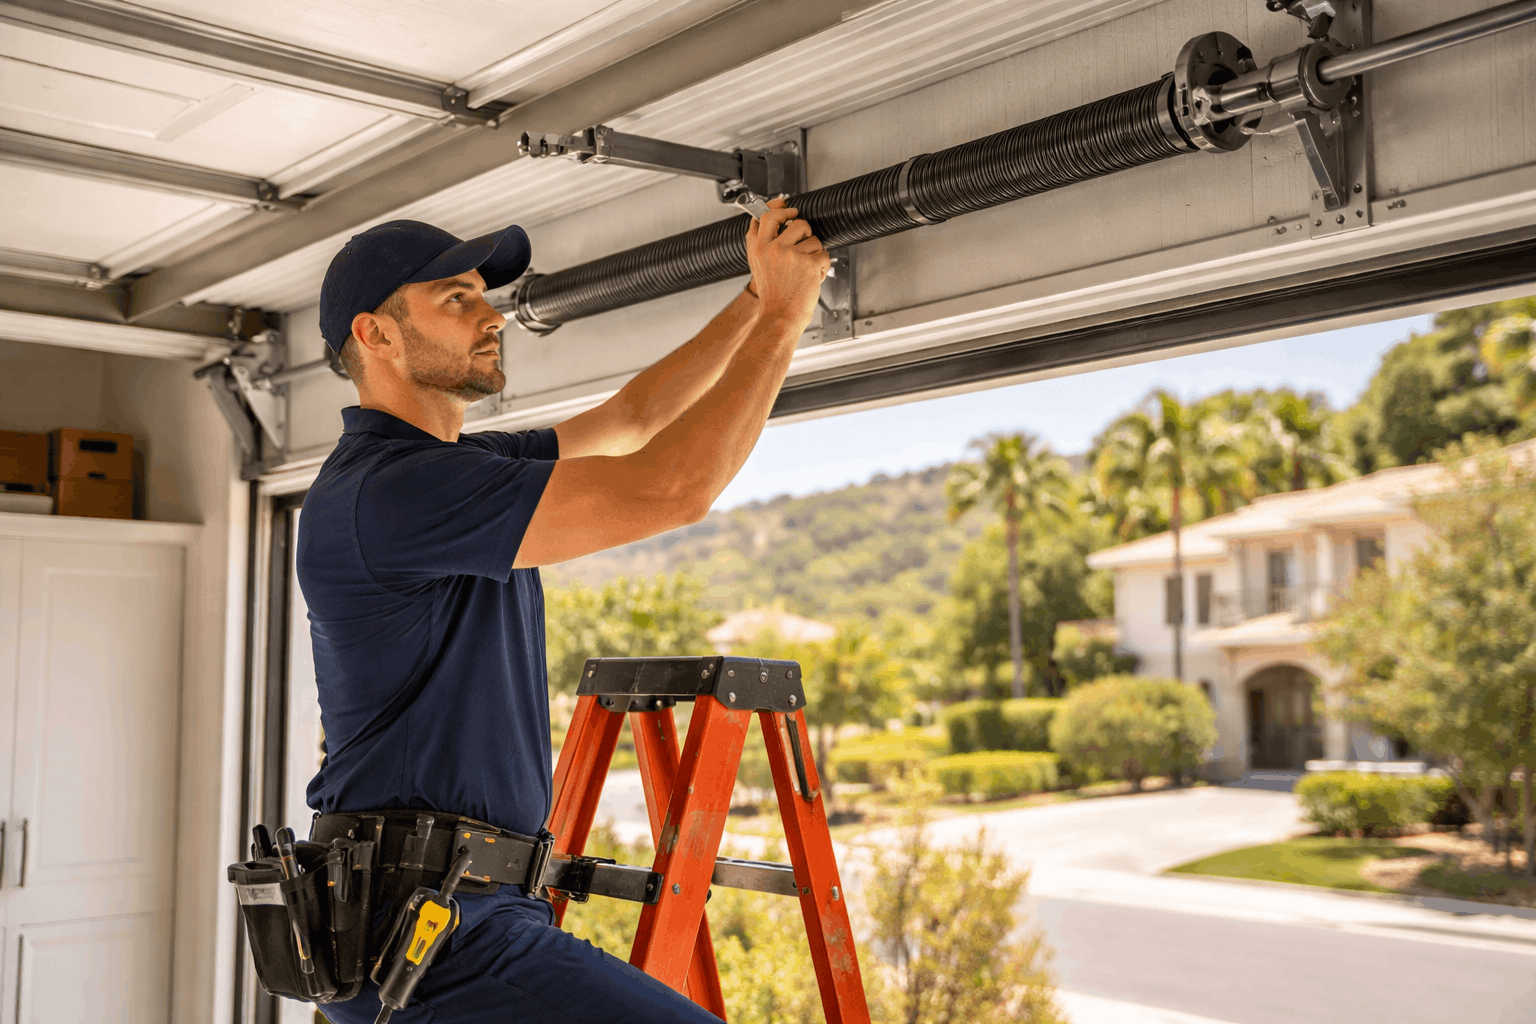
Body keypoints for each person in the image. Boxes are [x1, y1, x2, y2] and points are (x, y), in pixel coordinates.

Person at [295, 201, 829, 1023]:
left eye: (484, 295)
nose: (491, 315)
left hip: (451, 916)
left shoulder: (451, 466)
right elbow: (672, 486)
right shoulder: (392, 492)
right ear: (377, 336)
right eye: (456, 299)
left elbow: (631, 421)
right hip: (434, 941)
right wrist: (788, 317)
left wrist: (759, 298)